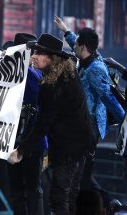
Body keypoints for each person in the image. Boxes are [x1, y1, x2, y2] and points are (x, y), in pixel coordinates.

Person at [8, 34, 96, 215]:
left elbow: (43, 124)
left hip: (70, 147)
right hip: (80, 144)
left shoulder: (53, 85)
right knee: (68, 195)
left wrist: (21, 151)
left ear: (50, 57)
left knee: (59, 197)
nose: (33, 55)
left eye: (38, 53)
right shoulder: (66, 74)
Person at [54, 15, 125, 213]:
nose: (73, 45)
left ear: (84, 47)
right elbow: (75, 40)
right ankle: (106, 202)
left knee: (80, 175)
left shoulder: (96, 68)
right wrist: (65, 30)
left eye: (76, 43)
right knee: (80, 174)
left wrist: (124, 122)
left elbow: (109, 98)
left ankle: (105, 203)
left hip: (89, 128)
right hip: (81, 125)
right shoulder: (88, 56)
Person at [4, 33, 47, 215]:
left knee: (30, 189)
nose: (35, 55)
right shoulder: (11, 72)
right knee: (17, 190)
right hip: (12, 139)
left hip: (32, 142)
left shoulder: (34, 74)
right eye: (33, 51)